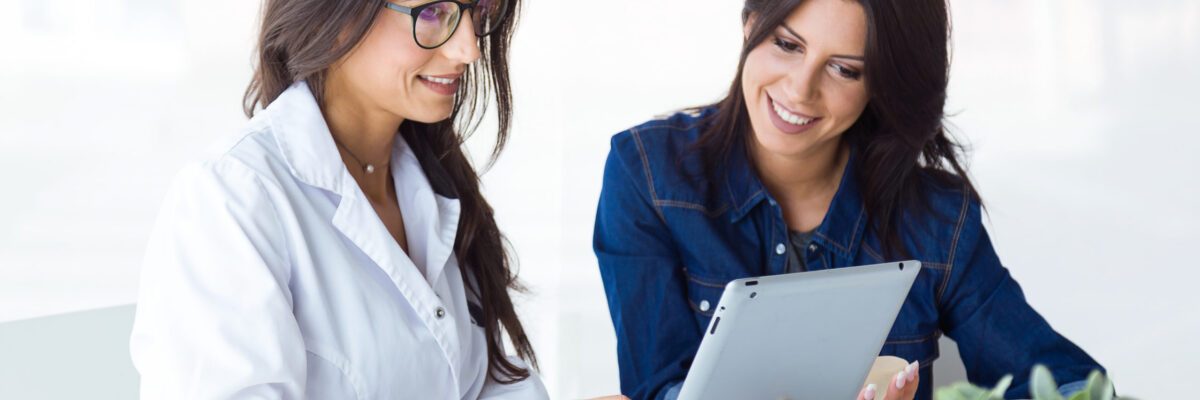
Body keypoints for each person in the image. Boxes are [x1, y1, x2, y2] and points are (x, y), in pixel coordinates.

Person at [592, 0, 1106, 399]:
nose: (800, 90)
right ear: (751, 26)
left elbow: (1070, 382)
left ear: (880, 85)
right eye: (788, 45)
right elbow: (654, 387)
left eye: (845, 69)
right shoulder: (650, 176)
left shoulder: (936, 218)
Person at [130, 0, 563, 398]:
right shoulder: (233, 199)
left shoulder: (432, 183)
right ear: (338, 17)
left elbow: (478, 384)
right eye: (433, 14)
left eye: (480, 9)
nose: (468, 50)